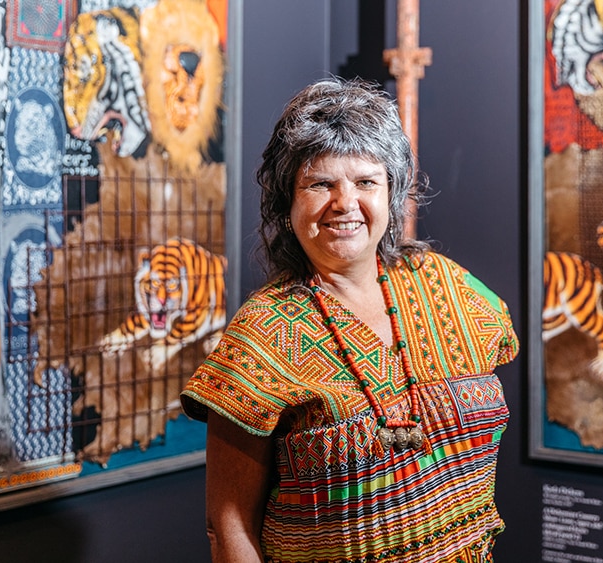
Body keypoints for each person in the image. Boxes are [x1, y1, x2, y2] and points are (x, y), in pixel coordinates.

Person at [181, 77, 519, 563]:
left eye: (365, 182)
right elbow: (228, 525)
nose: (345, 203)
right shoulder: (263, 334)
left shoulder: (450, 286)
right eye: (320, 183)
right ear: (288, 202)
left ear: (392, 193)